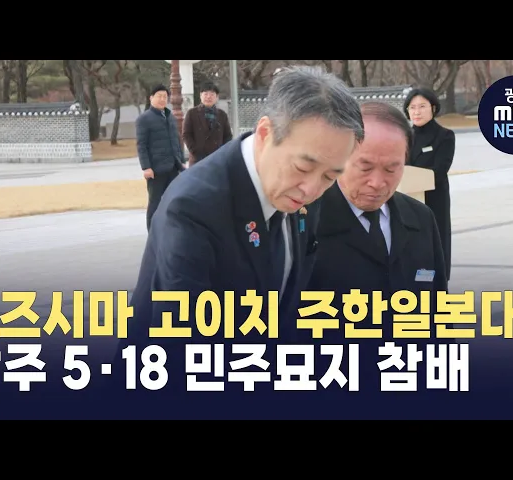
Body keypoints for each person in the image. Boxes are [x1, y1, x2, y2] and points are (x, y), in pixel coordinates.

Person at [117, 66, 365, 371]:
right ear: (265, 133)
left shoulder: (302, 194)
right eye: (302, 168)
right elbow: (186, 342)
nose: (311, 189)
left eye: (329, 177)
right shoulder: (193, 207)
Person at [305, 101, 449, 392]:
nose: (378, 182)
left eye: (392, 169)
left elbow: (437, 312)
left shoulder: (420, 218)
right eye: (365, 166)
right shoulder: (304, 222)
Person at [403, 87, 455, 281]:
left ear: (433, 108)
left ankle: (436, 285)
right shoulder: (404, 137)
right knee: (411, 245)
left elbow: (440, 170)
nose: (416, 111)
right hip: (406, 199)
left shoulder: (444, 136)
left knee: (434, 243)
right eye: (412, 107)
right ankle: (415, 284)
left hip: (433, 200)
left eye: (422, 106)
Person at [135, 84, 185, 230]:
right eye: (159, 96)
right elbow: (141, 145)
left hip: (173, 167)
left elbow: (176, 140)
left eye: (165, 97)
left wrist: (181, 160)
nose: (162, 99)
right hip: (156, 169)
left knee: (174, 200)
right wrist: (146, 167)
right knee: (155, 203)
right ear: (151, 98)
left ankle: (171, 231)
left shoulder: (170, 116)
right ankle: (153, 233)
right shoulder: (144, 119)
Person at [182, 81, 233, 166]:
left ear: (217, 97)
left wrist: (222, 152)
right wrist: (195, 151)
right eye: (205, 94)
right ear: (200, 95)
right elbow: (186, 135)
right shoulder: (192, 113)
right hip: (197, 160)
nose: (208, 97)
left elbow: (228, 136)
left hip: (217, 159)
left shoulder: (222, 115)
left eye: (212, 94)